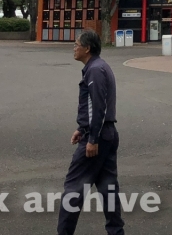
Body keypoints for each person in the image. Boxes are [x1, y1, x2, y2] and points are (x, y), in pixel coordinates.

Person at [57, 29, 123, 235]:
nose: (74, 48)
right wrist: (81, 128)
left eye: (77, 44)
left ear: (87, 48)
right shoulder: (99, 67)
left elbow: (98, 106)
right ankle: (116, 232)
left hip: (98, 137)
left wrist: (91, 138)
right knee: (108, 188)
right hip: (107, 133)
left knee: (74, 188)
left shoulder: (95, 70)